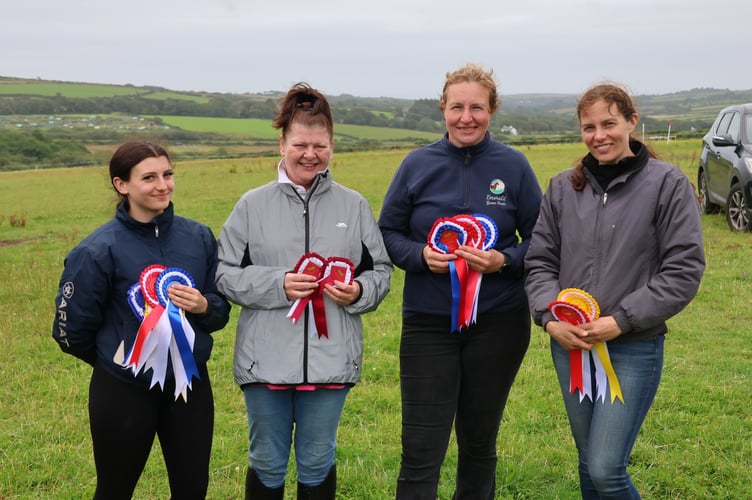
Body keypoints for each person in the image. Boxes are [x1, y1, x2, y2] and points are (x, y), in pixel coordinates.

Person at [524, 83, 705, 498]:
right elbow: (539, 263)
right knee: (588, 461)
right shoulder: (561, 188)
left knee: (606, 467)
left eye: (609, 123)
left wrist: (619, 321)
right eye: (589, 127)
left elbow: (683, 269)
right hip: (570, 345)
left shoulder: (667, 184)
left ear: (631, 122)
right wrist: (550, 320)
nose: (599, 135)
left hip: (633, 346)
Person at [215, 82, 392, 500]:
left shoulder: (354, 206)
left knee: (317, 460)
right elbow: (222, 274)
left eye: (320, 145)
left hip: (331, 360)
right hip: (265, 362)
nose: (310, 154)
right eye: (300, 144)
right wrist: (279, 284)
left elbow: (381, 269)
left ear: (332, 145)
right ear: (282, 143)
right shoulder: (250, 205)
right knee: (267, 461)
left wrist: (359, 291)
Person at [378, 63, 543, 499]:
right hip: (428, 324)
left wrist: (503, 260)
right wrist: (420, 255)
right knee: (420, 447)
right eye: (456, 107)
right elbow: (387, 234)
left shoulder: (514, 165)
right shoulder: (417, 164)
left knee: (478, 443)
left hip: (499, 323)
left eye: (476, 107)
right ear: (442, 109)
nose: (466, 117)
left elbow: (544, 239)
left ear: (491, 110)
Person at [52, 141, 232, 499]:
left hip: (188, 384)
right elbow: (71, 330)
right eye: (149, 177)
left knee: (193, 489)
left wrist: (202, 307)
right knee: (115, 490)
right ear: (122, 185)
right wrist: (115, 360)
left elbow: (220, 309)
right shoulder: (96, 249)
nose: (162, 185)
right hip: (123, 389)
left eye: (167, 174)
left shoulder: (198, 237)